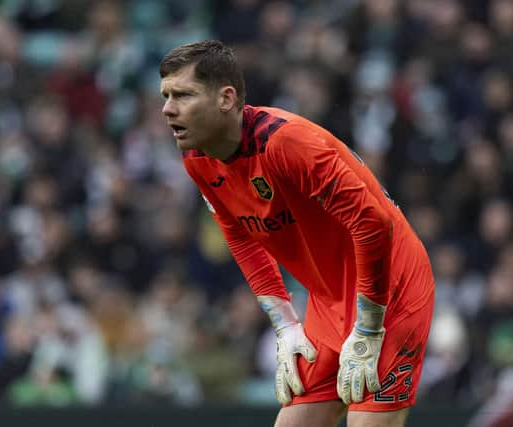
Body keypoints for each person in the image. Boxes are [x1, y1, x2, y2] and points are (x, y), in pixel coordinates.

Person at [159, 40, 435, 427]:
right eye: (166, 96)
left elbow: (374, 223)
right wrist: (285, 323)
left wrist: (370, 325)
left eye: (183, 95)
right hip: (328, 301)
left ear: (226, 99)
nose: (168, 108)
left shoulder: (286, 144)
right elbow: (238, 234)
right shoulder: (197, 159)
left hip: (391, 290)